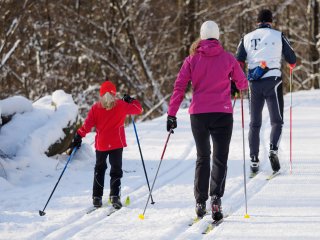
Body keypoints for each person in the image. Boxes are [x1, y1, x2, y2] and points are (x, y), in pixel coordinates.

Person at [167, 20, 248, 221]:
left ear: (202, 37)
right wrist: (234, 84)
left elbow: (179, 87)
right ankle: (215, 200)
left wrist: (171, 114)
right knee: (220, 158)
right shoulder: (229, 58)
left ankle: (200, 201)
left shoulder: (191, 60)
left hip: (199, 115)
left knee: (203, 156)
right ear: (218, 36)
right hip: (222, 113)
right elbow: (243, 84)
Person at [236, 9, 296, 174]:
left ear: (257, 22)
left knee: (254, 123)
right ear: (270, 21)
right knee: (276, 121)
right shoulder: (278, 35)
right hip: (273, 82)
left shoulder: (246, 38)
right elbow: (292, 59)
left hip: (254, 84)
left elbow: (238, 62)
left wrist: (238, 81)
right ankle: (273, 149)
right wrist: (290, 65)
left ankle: (254, 159)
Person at [68, 80, 143, 209]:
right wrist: (131, 100)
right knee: (116, 170)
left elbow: (87, 125)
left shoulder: (96, 108)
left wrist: (78, 135)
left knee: (99, 169)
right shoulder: (121, 105)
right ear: (114, 94)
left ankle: (97, 198)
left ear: (101, 94)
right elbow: (138, 109)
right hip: (117, 144)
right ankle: (114, 196)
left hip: (101, 144)